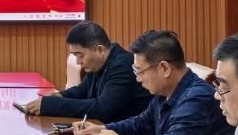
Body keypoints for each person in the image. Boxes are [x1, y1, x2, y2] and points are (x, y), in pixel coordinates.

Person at [78, 29, 233, 135]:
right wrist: (103, 129)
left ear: (164, 68)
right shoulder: (165, 91)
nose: (138, 79)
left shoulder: (197, 99)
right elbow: (142, 123)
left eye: (139, 72)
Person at [21, 20, 150, 122]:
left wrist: (51, 105)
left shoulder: (123, 65)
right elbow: (82, 91)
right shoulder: (100, 63)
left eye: (80, 55)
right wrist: (59, 96)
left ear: (100, 50)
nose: (78, 62)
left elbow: (102, 109)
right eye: (75, 56)